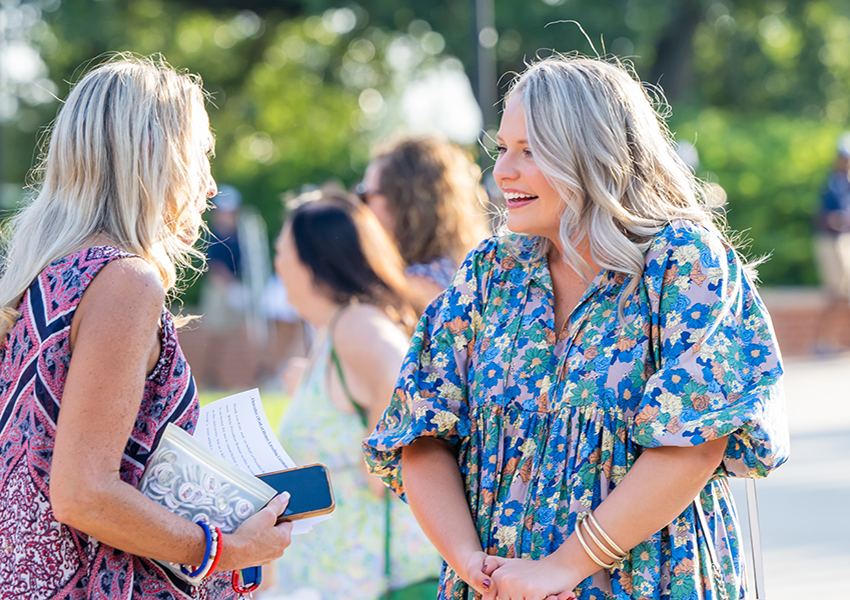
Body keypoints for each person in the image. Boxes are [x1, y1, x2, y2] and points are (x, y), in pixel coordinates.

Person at [363, 55, 789, 600]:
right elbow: (421, 434)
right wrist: (473, 565)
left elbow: (695, 441)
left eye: (530, 151)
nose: (503, 172)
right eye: (502, 149)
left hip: (646, 584)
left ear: (593, 154)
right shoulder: (490, 274)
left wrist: (564, 567)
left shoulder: (684, 261)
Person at [0, 56, 292, 599]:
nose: (207, 186)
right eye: (201, 156)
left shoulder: (40, 278)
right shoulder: (124, 281)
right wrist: (227, 549)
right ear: (156, 156)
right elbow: (84, 494)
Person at [270, 190, 441, 600]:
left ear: (313, 262)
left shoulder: (356, 324)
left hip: (372, 580)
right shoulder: (331, 331)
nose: (277, 265)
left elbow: (399, 371)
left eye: (282, 253)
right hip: (334, 578)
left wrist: (385, 458)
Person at [359, 136, 491, 310]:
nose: (360, 207)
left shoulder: (416, 288)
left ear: (403, 201)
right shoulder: (460, 268)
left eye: (365, 196)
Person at [812, 134, 850, 352]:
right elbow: (823, 218)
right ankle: (823, 341)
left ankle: (831, 340)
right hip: (830, 242)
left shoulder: (846, 183)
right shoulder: (830, 185)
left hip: (843, 241)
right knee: (836, 293)